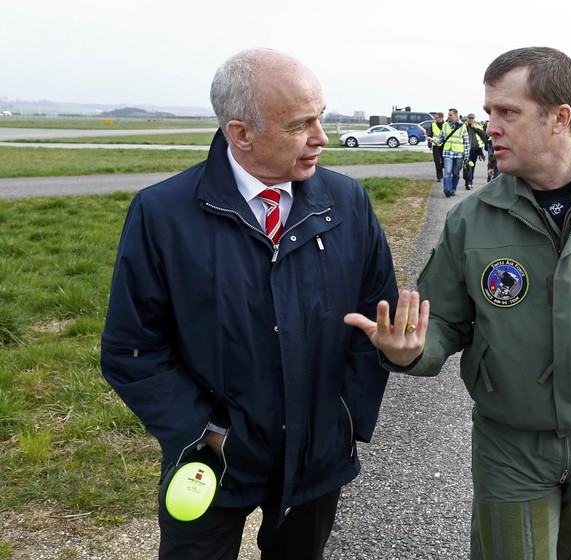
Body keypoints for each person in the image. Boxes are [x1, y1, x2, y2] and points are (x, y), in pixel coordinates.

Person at [345, 46, 571, 560]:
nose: (490, 126)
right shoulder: (473, 219)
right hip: (511, 439)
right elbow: (443, 320)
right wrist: (409, 353)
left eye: (507, 112)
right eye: (489, 111)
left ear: (561, 118)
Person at [101, 48, 399, 559]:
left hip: (316, 457)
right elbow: (133, 349)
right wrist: (204, 434)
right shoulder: (162, 214)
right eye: (300, 124)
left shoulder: (349, 202)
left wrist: (344, 416)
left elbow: (377, 319)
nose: (321, 138)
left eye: (320, 117)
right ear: (241, 133)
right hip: (212, 460)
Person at [435, 108, 471, 197]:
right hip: (447, 152)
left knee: (455, 173)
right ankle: (447, 189)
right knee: (447, 172)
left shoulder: (462, 126)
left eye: (450, 115)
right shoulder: (445, 125)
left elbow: (466, 142)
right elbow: (441, 137)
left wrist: (466, 155)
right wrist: (435, 141)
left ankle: (453, 189)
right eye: (448, 115)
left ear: (456, 116)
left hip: (458, 154)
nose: (448, 116)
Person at [464, 113, 489, 190]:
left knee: (472, 166)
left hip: (475, 149)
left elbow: (483, 136)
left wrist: (475, 128)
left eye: (472, 119)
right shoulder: (464, 127)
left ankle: (470, 181)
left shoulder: (477, 126)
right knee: (466, 166)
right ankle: (468, 181)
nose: (471, 120)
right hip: (466, 150)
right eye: (469, 118)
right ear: (467, 119)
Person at [427, 112, 445, 182]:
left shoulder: (446, 124)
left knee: (444, 161)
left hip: (444, 145)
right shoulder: (433, 125)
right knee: (437, 161)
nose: (435, 118)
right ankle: (439, 176)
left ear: (441, 118)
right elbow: (430, 134)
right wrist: (429, 143)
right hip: (436, 145)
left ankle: (441, 167)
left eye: (436, 117)